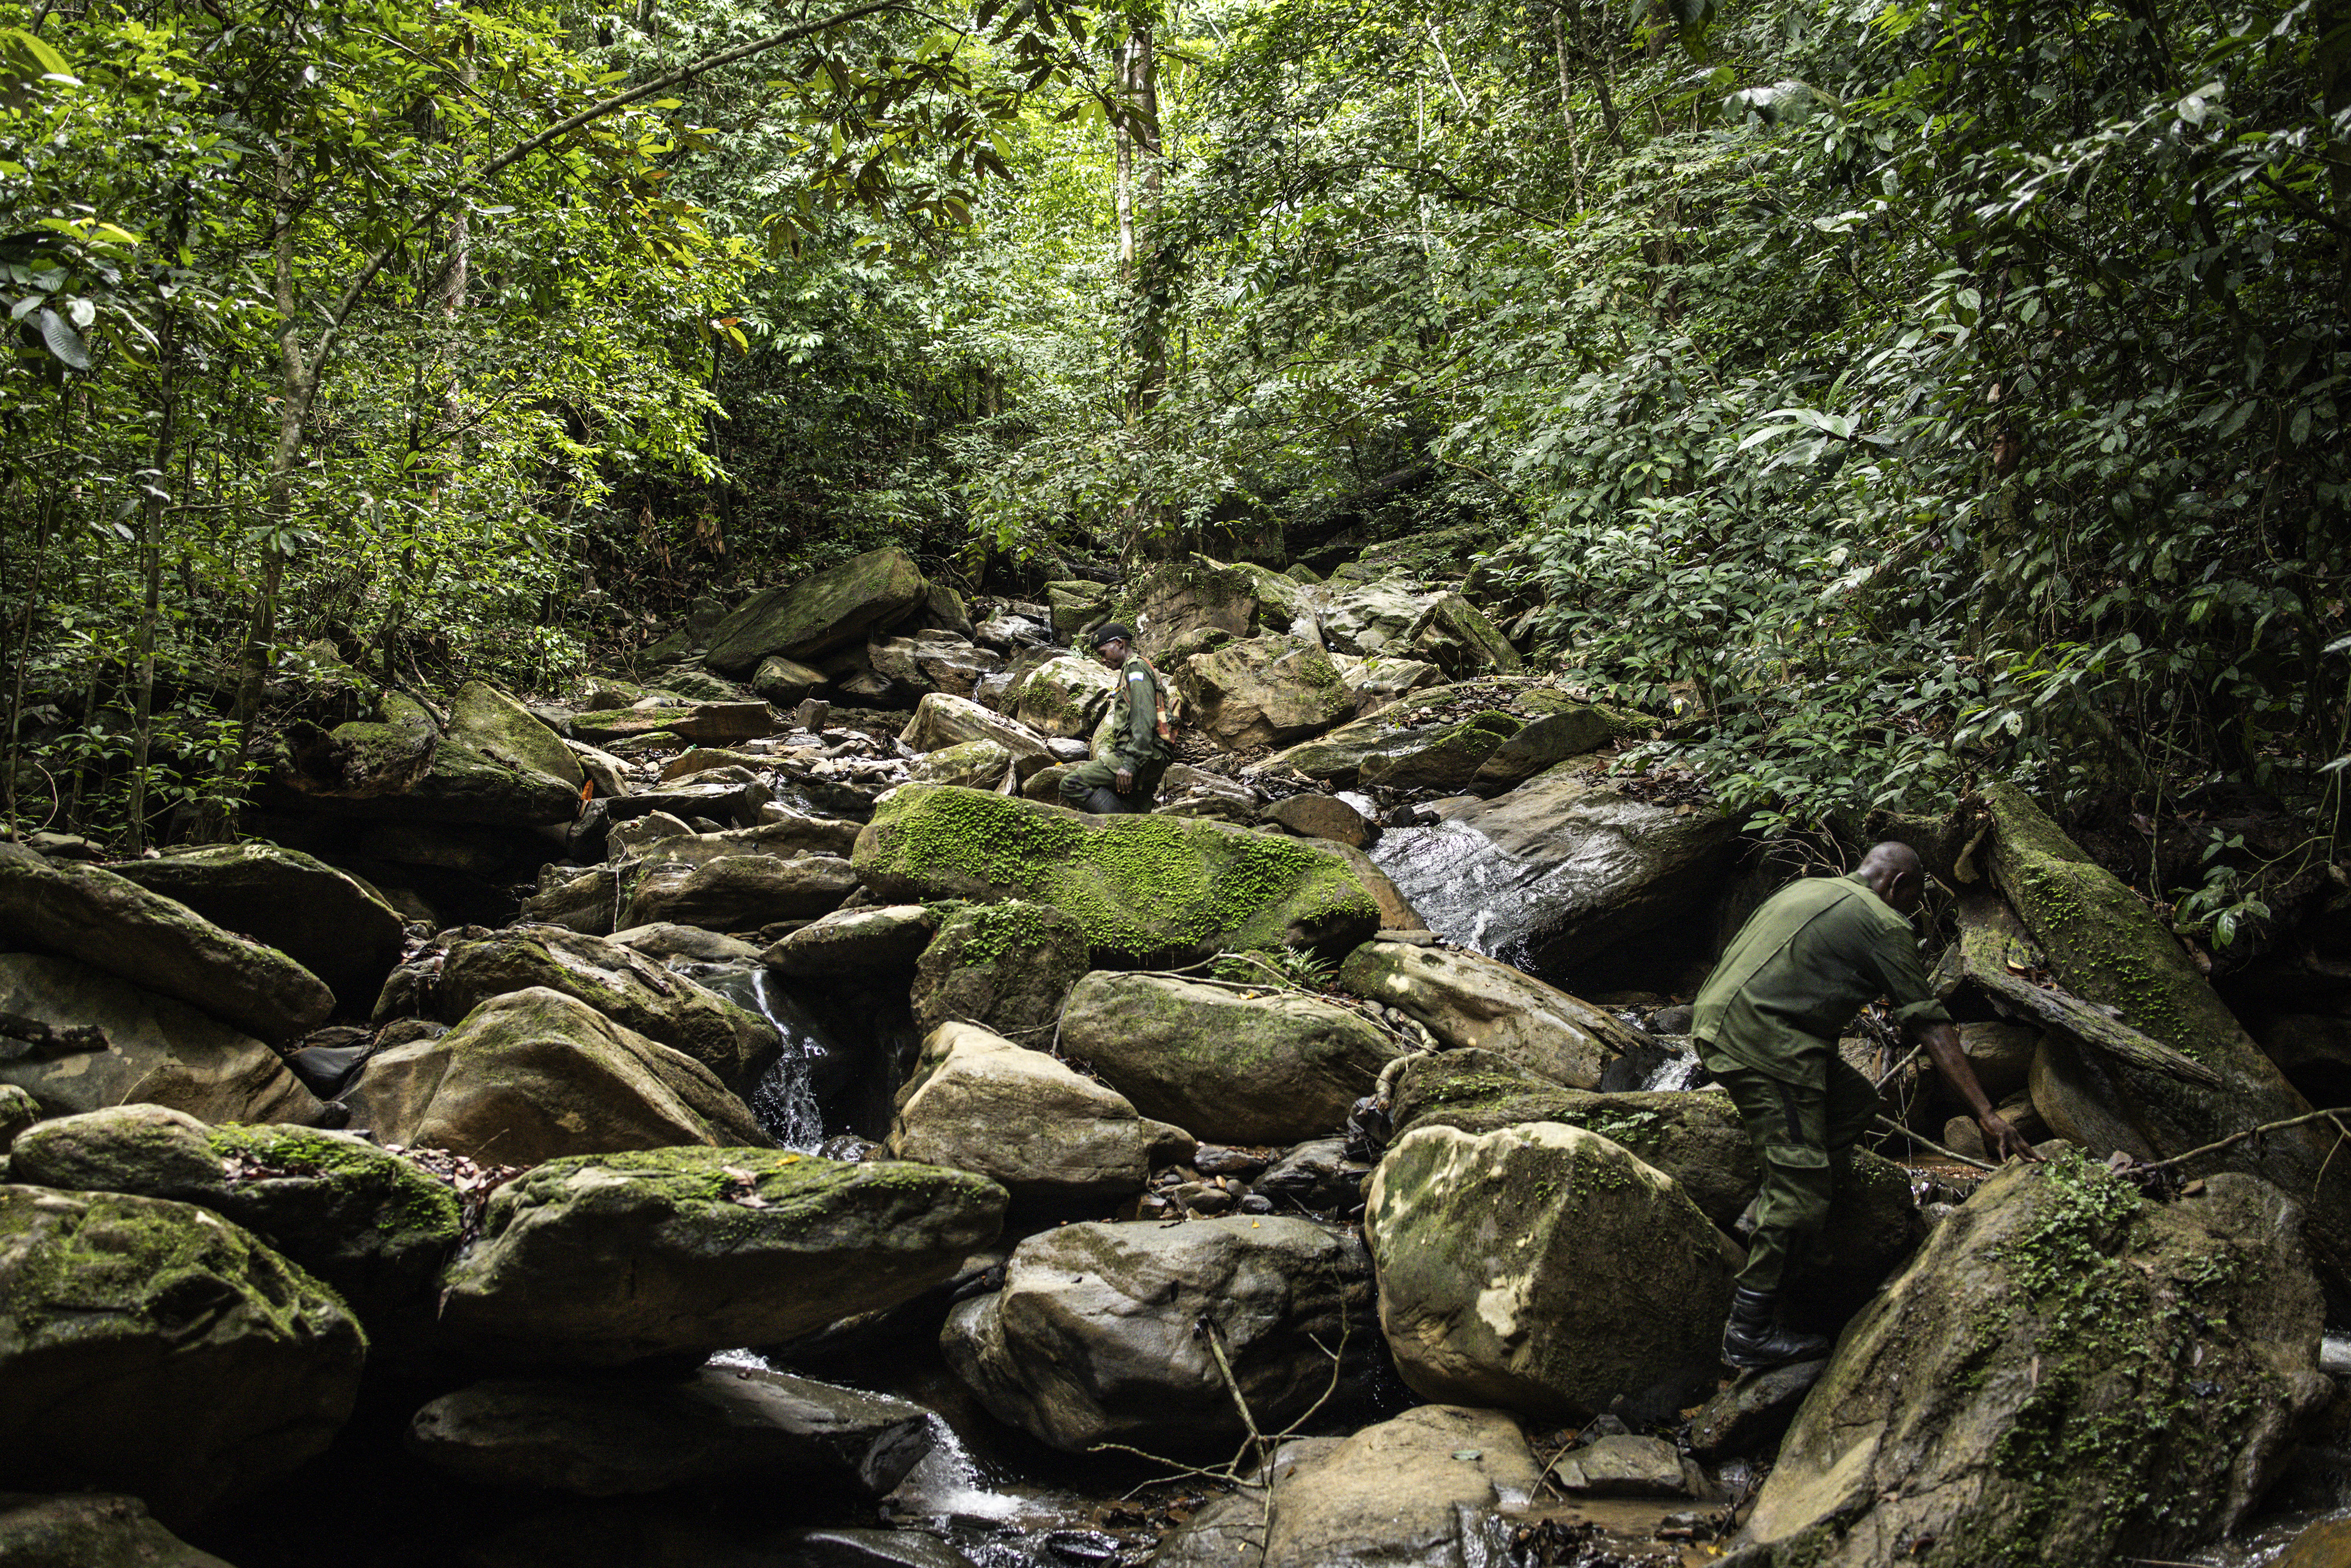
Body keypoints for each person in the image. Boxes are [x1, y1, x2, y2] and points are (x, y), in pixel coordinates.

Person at [1693, 841, 2039, 1369]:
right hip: (1766, 1043)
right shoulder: (1882, 921)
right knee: (1804, 1186)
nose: (1908, 912)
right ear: (1898, 886)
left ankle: (1766, 1211)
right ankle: (1748, 1331)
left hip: (1716, 1017)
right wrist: (1987, 1115)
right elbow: (1930, 1024)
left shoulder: (1808, 888)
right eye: (1912, 900)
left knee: (1853, 1101)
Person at [1057, 623, 1174, 815]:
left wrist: (1129, 764)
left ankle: (1116, 822)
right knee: (1135, 813)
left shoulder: (1135, 670)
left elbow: (1144, 718)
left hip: (1141, 756)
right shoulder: (1134, 669)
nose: (1102, 660)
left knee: (1071, 784)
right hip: (1151, 757)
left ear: (1119, 643)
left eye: (1103, 653)